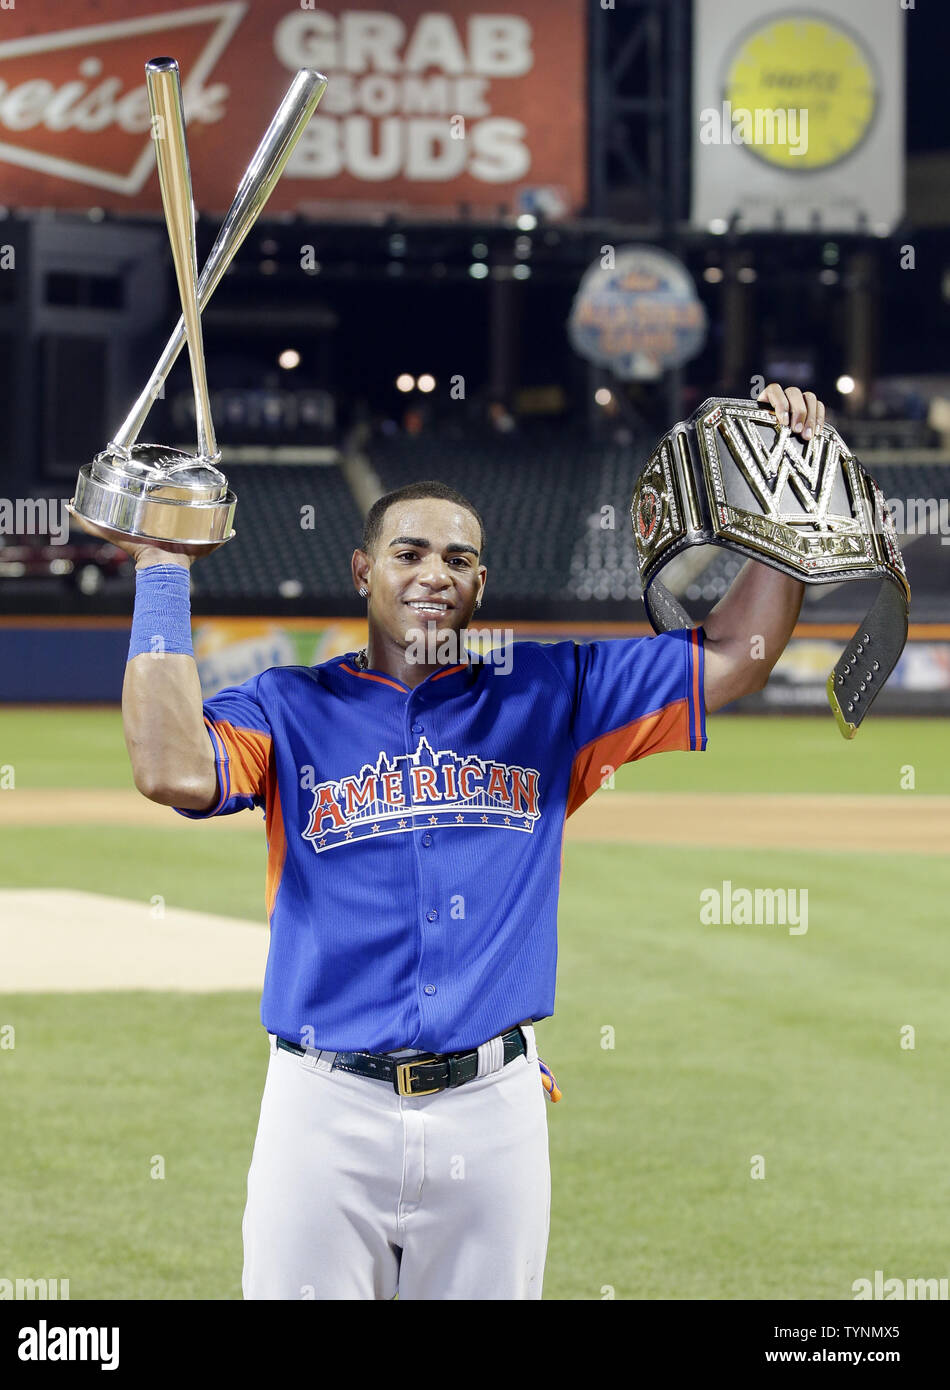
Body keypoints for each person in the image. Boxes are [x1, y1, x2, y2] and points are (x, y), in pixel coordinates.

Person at [73, 382, 823, 1301]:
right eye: (410, 552)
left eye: (459, 558)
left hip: (490, 1111)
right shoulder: (288, 707)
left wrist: (784, 513)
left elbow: (737, 656)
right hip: (324, 1106)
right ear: (363, 572)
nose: (435, 572)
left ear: (479, 584)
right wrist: (160, 568)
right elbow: (170, 767)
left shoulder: (554, 693)